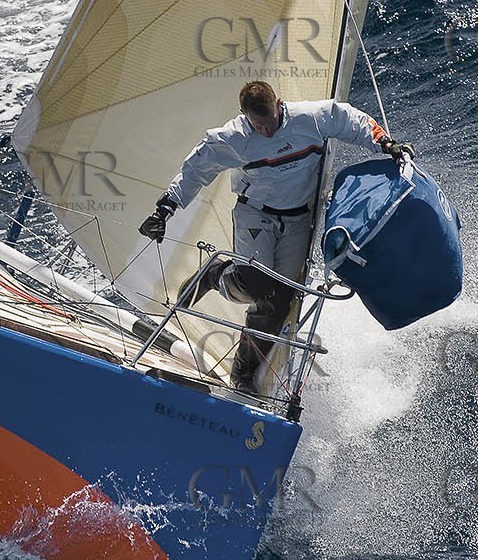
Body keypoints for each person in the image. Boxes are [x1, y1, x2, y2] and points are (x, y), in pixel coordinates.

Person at [139, 81, 413, 393]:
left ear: (279, 104)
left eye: (270, 120)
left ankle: (243, 372)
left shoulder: (309, 118)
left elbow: (350, 120)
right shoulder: (234, 138)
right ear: (245, 117)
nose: (266, 130)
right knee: (255, 283)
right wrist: (164, 211)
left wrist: (387, 144)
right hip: (256, 214)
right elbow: (195, 169)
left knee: (278, 300)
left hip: (299, 218)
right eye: (258, 124)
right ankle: (214, 275)